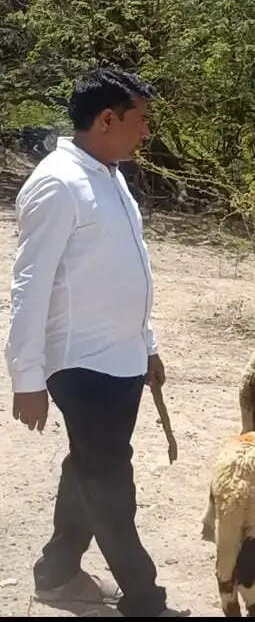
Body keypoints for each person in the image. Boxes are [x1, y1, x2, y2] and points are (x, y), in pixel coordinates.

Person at [5, 67, 183, 617]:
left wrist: (147, 344)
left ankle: (57, 575)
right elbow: (29, 285)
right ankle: (144, 598)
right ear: (107, 120)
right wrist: (26, 378)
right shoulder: (59, 181)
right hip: (81, 362)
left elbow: (128, 271)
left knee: (89, 464)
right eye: (140, 120)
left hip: (121, 356)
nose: (146, 132)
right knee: (110, 478)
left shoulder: (108, 173)